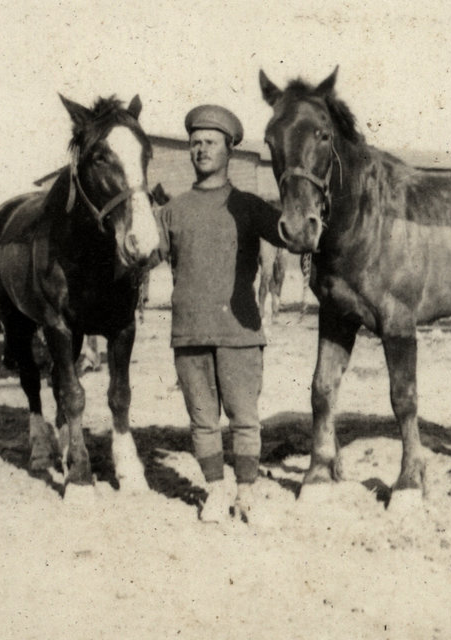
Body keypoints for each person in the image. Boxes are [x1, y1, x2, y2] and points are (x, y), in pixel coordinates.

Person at [156, 104, 285, 523]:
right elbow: (142, 255)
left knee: (245, 419)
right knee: (202, 421)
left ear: (230, 149)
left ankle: (246, 493)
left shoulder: (249, 206)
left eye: (210, 143)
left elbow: (294, 235)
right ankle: (214, 490)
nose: (201, 150)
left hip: (240, 331)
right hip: (189, 333)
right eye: (195, 143)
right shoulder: (172, 210)